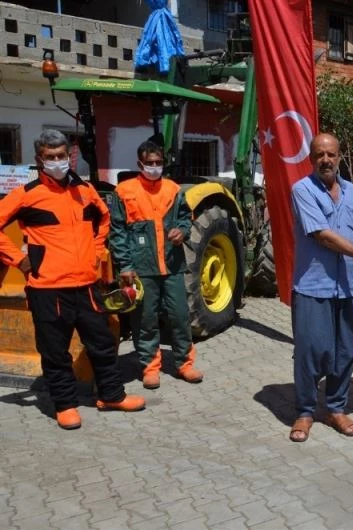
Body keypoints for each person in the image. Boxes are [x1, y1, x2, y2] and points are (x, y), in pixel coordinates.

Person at [0, 130, 145, 429]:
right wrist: (19, 260)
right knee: (55, 352)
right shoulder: (26, 195)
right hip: (48, 289)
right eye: (50, 157)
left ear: (69, 156)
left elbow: (104, 218)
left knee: (102, 343)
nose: (57, 161)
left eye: (61, 156)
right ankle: (65, 405)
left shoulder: (85, 190)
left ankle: (112, 396)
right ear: (40, 159)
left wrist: (96, 250)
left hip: (87, 286)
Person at [289, 133, 353, 442]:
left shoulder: (351, 192)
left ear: (338, 157)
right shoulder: (302, 190)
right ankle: (305, 411)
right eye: (320, 155)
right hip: (313, 286)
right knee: (311, 351)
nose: (326, 160)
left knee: (348, 348)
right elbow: (323, 236)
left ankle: (336, 407)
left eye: (331, 154)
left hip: (347, 285)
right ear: (311, 159)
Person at [108, 141, 204, 390]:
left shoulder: (173, 189)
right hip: (142, 267)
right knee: (145, 319)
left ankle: (184, 364)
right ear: (139, 164)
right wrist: (125, 265)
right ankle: (150, 367)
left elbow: (185, 217)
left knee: (180, 316)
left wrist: (182, 231)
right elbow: (117, 232)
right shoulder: (124, 191)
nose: (154, 167)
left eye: (158, 162)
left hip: (172, 265)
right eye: (149, 163)